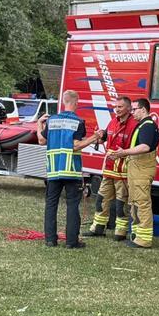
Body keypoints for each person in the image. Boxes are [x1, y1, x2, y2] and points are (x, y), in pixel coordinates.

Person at [37, 90, 102, 248]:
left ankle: (50, 240)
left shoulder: (51, 121)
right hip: (71, 171)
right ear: (76, 102)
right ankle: (71, 242)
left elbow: (41, 141)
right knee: (72, 204)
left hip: (53, 170)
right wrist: (95, 137)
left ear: (63, 102)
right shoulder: (78, 122)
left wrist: (39, 124)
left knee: (51, 204)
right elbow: (75, 145)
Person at [109, 98, 159, 249]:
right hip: (136, 168)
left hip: (142, 169)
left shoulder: (148, 126)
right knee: (135, 202)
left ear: (143, 110)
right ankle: (137, 235)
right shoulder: (142, 125)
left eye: (134, 109)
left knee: (142, 202)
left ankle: (144, 239)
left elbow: (144, 147)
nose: (132, 112)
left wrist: (123, 152)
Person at [86, 96, 138, 240]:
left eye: (120, 107)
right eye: (116, 107)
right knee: (101, 200)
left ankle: (120, 232)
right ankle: (97, 228)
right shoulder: (113, 122)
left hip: (123, 171)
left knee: (121, 203)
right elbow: (106, 139)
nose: (117, 109)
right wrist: (100, 135)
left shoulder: (134, 124)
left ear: (128, 108)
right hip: (108, 169)